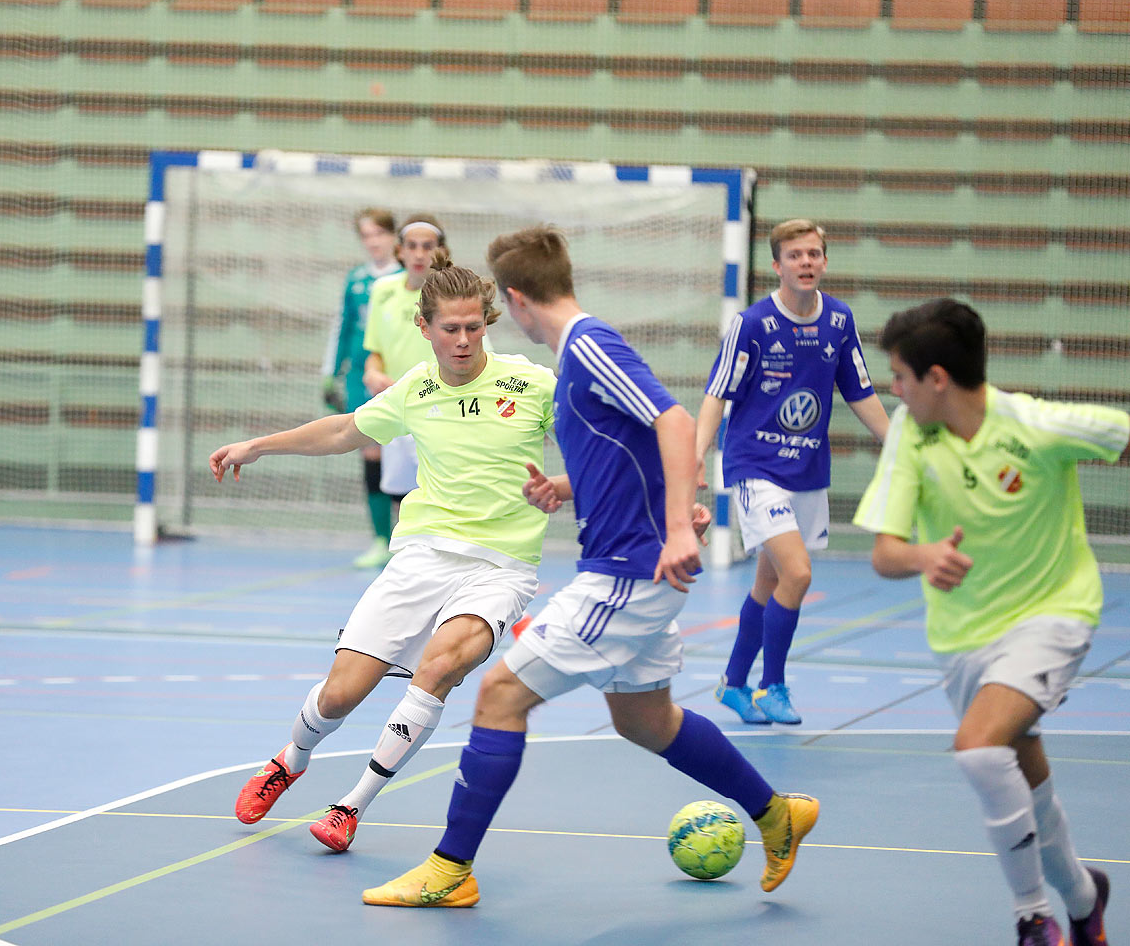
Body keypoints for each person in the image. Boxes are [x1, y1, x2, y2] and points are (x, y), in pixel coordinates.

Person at [364, 225, 820, 909]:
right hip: (633, 565)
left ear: (516, 300)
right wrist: (568, 489)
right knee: (644, 721)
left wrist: (675, 526)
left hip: (626, 574)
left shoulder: (586, 345)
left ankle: (449, 870)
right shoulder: (581, 353)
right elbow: (630, 445)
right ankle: (776, 813)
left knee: (498, 697)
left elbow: (671, 421)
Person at [211, 251, 557, 853]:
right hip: (422, 557)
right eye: (450, 328)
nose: (464, 339)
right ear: (423, 329)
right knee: (342, 693)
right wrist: (258, 445)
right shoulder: (414, 389)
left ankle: (351, 806)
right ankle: (290, 760)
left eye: (475, 326)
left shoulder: (531, 384)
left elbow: (599, 441)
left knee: (441, 667)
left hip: (501, 565)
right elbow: (344, 431)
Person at [854, 298, 1124, 946]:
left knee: (979, 750)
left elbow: (1119, 433)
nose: (893, 389)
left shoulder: (1034, 424)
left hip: (1054, 612)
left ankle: (1033, 917)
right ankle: (1086, 899)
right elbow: (885, 554)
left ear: (937, 378)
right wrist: (925, 555)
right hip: (963, 639)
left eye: (899, 376)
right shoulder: (911, 437)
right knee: (1020, 770)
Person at [694, 218, 889, 725]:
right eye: (795, 255)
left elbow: (860, 392)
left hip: (807, 469)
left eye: (813, 254)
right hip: (755, 466)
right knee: (798, 574)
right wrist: (697, 455)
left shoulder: (840, 321)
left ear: (824, 261)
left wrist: (896, 446)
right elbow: (717, 393)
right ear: (777, 265)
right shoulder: (753, 324)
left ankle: (732, 684)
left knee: (769, 584)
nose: (806, 262)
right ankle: (771, 686)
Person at [322, 208, 404, 568]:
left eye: (379, 234)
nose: (373, 242)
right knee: (369, 452)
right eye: (366, 236)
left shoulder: (407, 278)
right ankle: (380, 540)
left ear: (392, 237)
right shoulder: (356, 280)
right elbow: (342, 327)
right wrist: (331, 372)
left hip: (397, 371)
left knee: (402, 455)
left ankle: (406, 539)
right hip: (360, 374)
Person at [361, 214, 450, 506]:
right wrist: (372, 374)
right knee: (402, 501)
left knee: (440, 499)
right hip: (399, 410)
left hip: (441, 411)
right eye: (412, 246)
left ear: (442, 251)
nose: (419, 254)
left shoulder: (453, 295)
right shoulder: (383, 290)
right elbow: (375, 353)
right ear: (399, 250)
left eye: (428, 246)